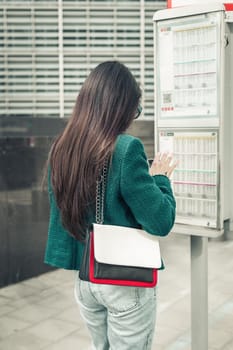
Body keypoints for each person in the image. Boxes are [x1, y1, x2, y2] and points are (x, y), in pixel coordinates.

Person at [44, 61, 177, 350]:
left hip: (85, 279)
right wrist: (161, 179)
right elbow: (160, 220)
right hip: (122, 280)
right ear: (120, 107)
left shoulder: (63, 147)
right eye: (134, 109)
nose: (133, 117)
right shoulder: (126, 148)